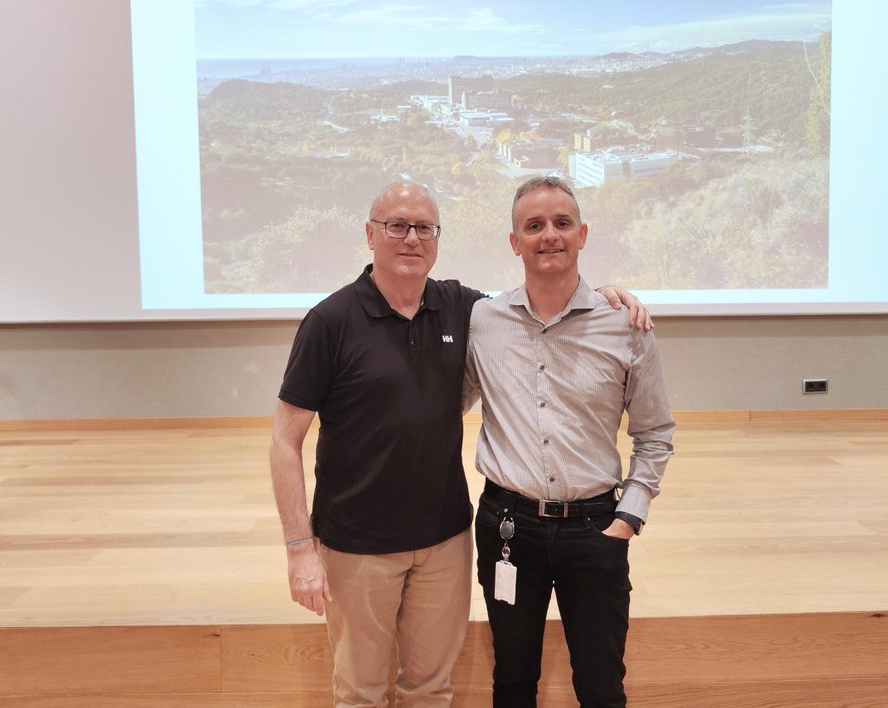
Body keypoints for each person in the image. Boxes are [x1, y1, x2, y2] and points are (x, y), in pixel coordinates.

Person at [269, 180, 650, 707]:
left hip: (445, 540)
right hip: (356, 544)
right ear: (370, 234)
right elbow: (284, 441)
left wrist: (604, 292)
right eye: (396, 226)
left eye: (424, 228)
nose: (411, 238)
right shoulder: (329, 321)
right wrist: (298, 549)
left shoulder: (461, 308)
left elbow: (542, 295)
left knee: (431, 691)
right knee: (360, 694)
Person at [462, 176, 675, 707]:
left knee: (602, 689)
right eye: (533, 226)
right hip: (508, 529)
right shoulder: (483, 321)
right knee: (512, 683)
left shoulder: (625, 325)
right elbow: (447, 400)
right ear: (515, 242)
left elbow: (654, 433)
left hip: (596, 529)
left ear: (582, 235)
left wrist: (628, 518)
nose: (549, 235)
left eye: (561, 223)